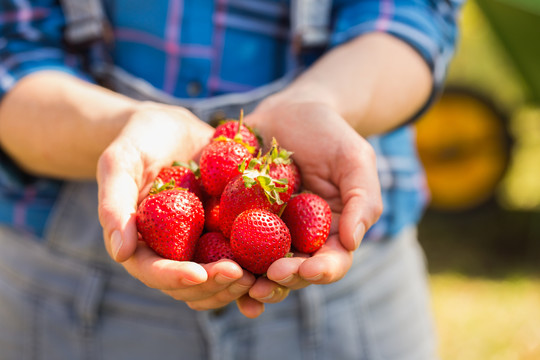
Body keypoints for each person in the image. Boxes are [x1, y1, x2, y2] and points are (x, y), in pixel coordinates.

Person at [0, 0, 463, 359]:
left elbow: (410, 17)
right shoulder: (223, 193)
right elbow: (11, 53)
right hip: (63, 289)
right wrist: (123, 127)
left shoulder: (260, 196)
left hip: (356, 296)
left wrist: (323, 102)